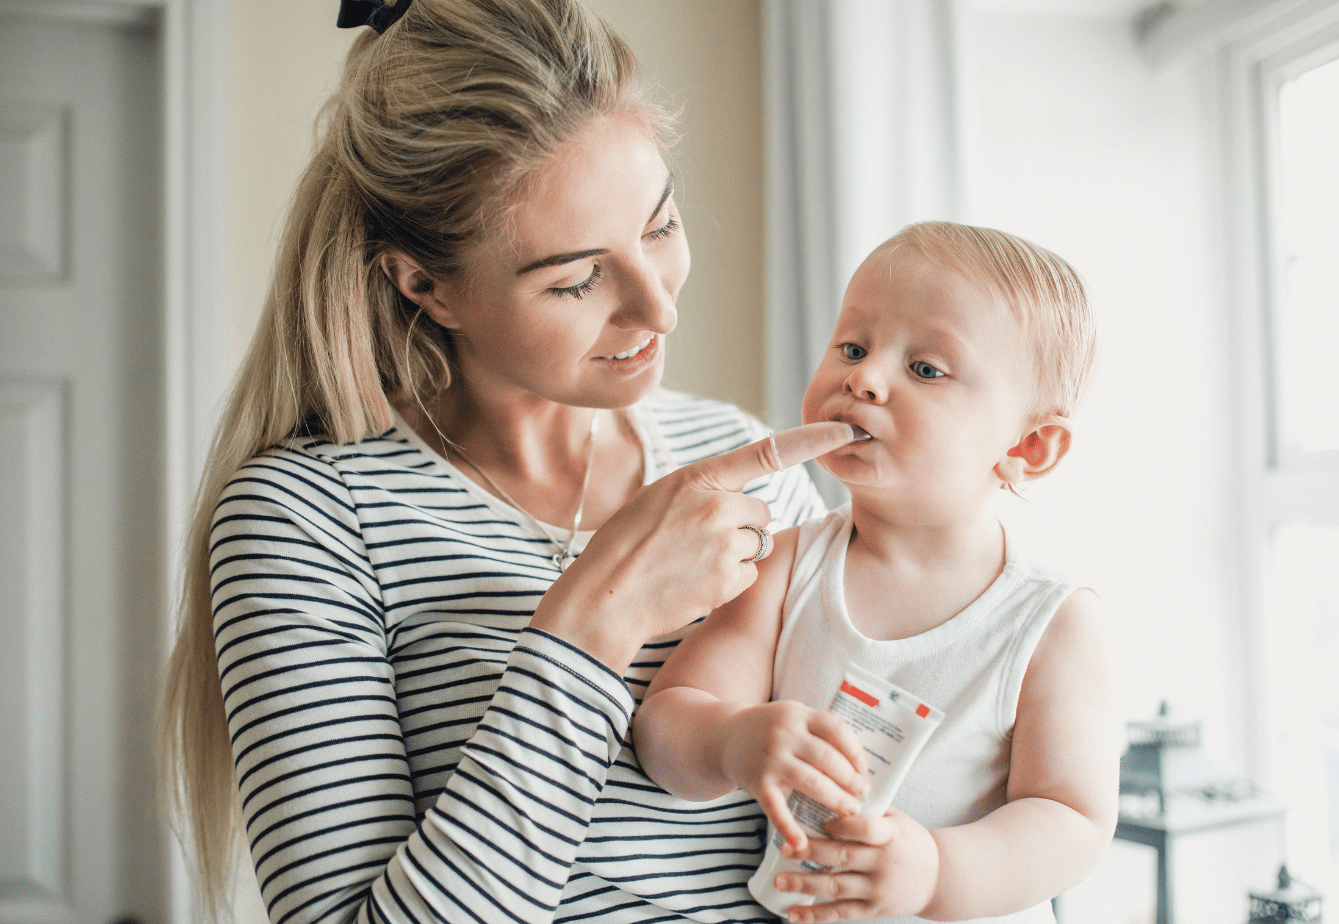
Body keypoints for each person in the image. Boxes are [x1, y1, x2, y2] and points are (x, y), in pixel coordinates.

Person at [157, 2, 859, 923]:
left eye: (659, 227)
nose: (659, 310)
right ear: (426, 284)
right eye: (576, 279)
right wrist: (594, 624)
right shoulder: (306, 520)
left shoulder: (742, 460)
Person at [633, 221, 1119, 924]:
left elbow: (1070, 818)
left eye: (924, 369)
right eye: (853, 347)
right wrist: (733, 741)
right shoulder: (783, 567)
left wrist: (935, 872)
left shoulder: (1053, 622)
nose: (862, 377)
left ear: (1031, 445)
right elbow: (665, 727)